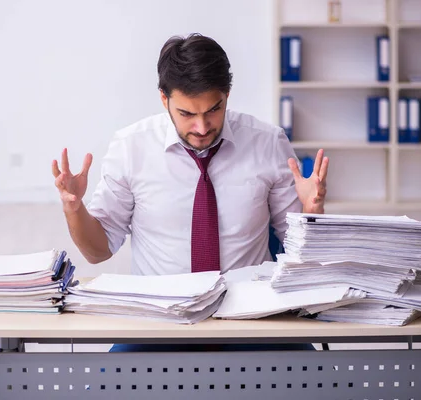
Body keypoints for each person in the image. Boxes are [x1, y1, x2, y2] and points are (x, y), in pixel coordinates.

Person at [52, 33, 328, 351]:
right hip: (159, 319)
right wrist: (74, 209)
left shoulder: (267, 143)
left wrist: (311, 211)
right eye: (186, 114)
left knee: (316, 382)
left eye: (213, 110)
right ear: (163, 99)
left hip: (252, 317)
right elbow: (97, 252)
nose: (201, 127)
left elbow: (301, 254)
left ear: (227, 95)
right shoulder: (131, 148)